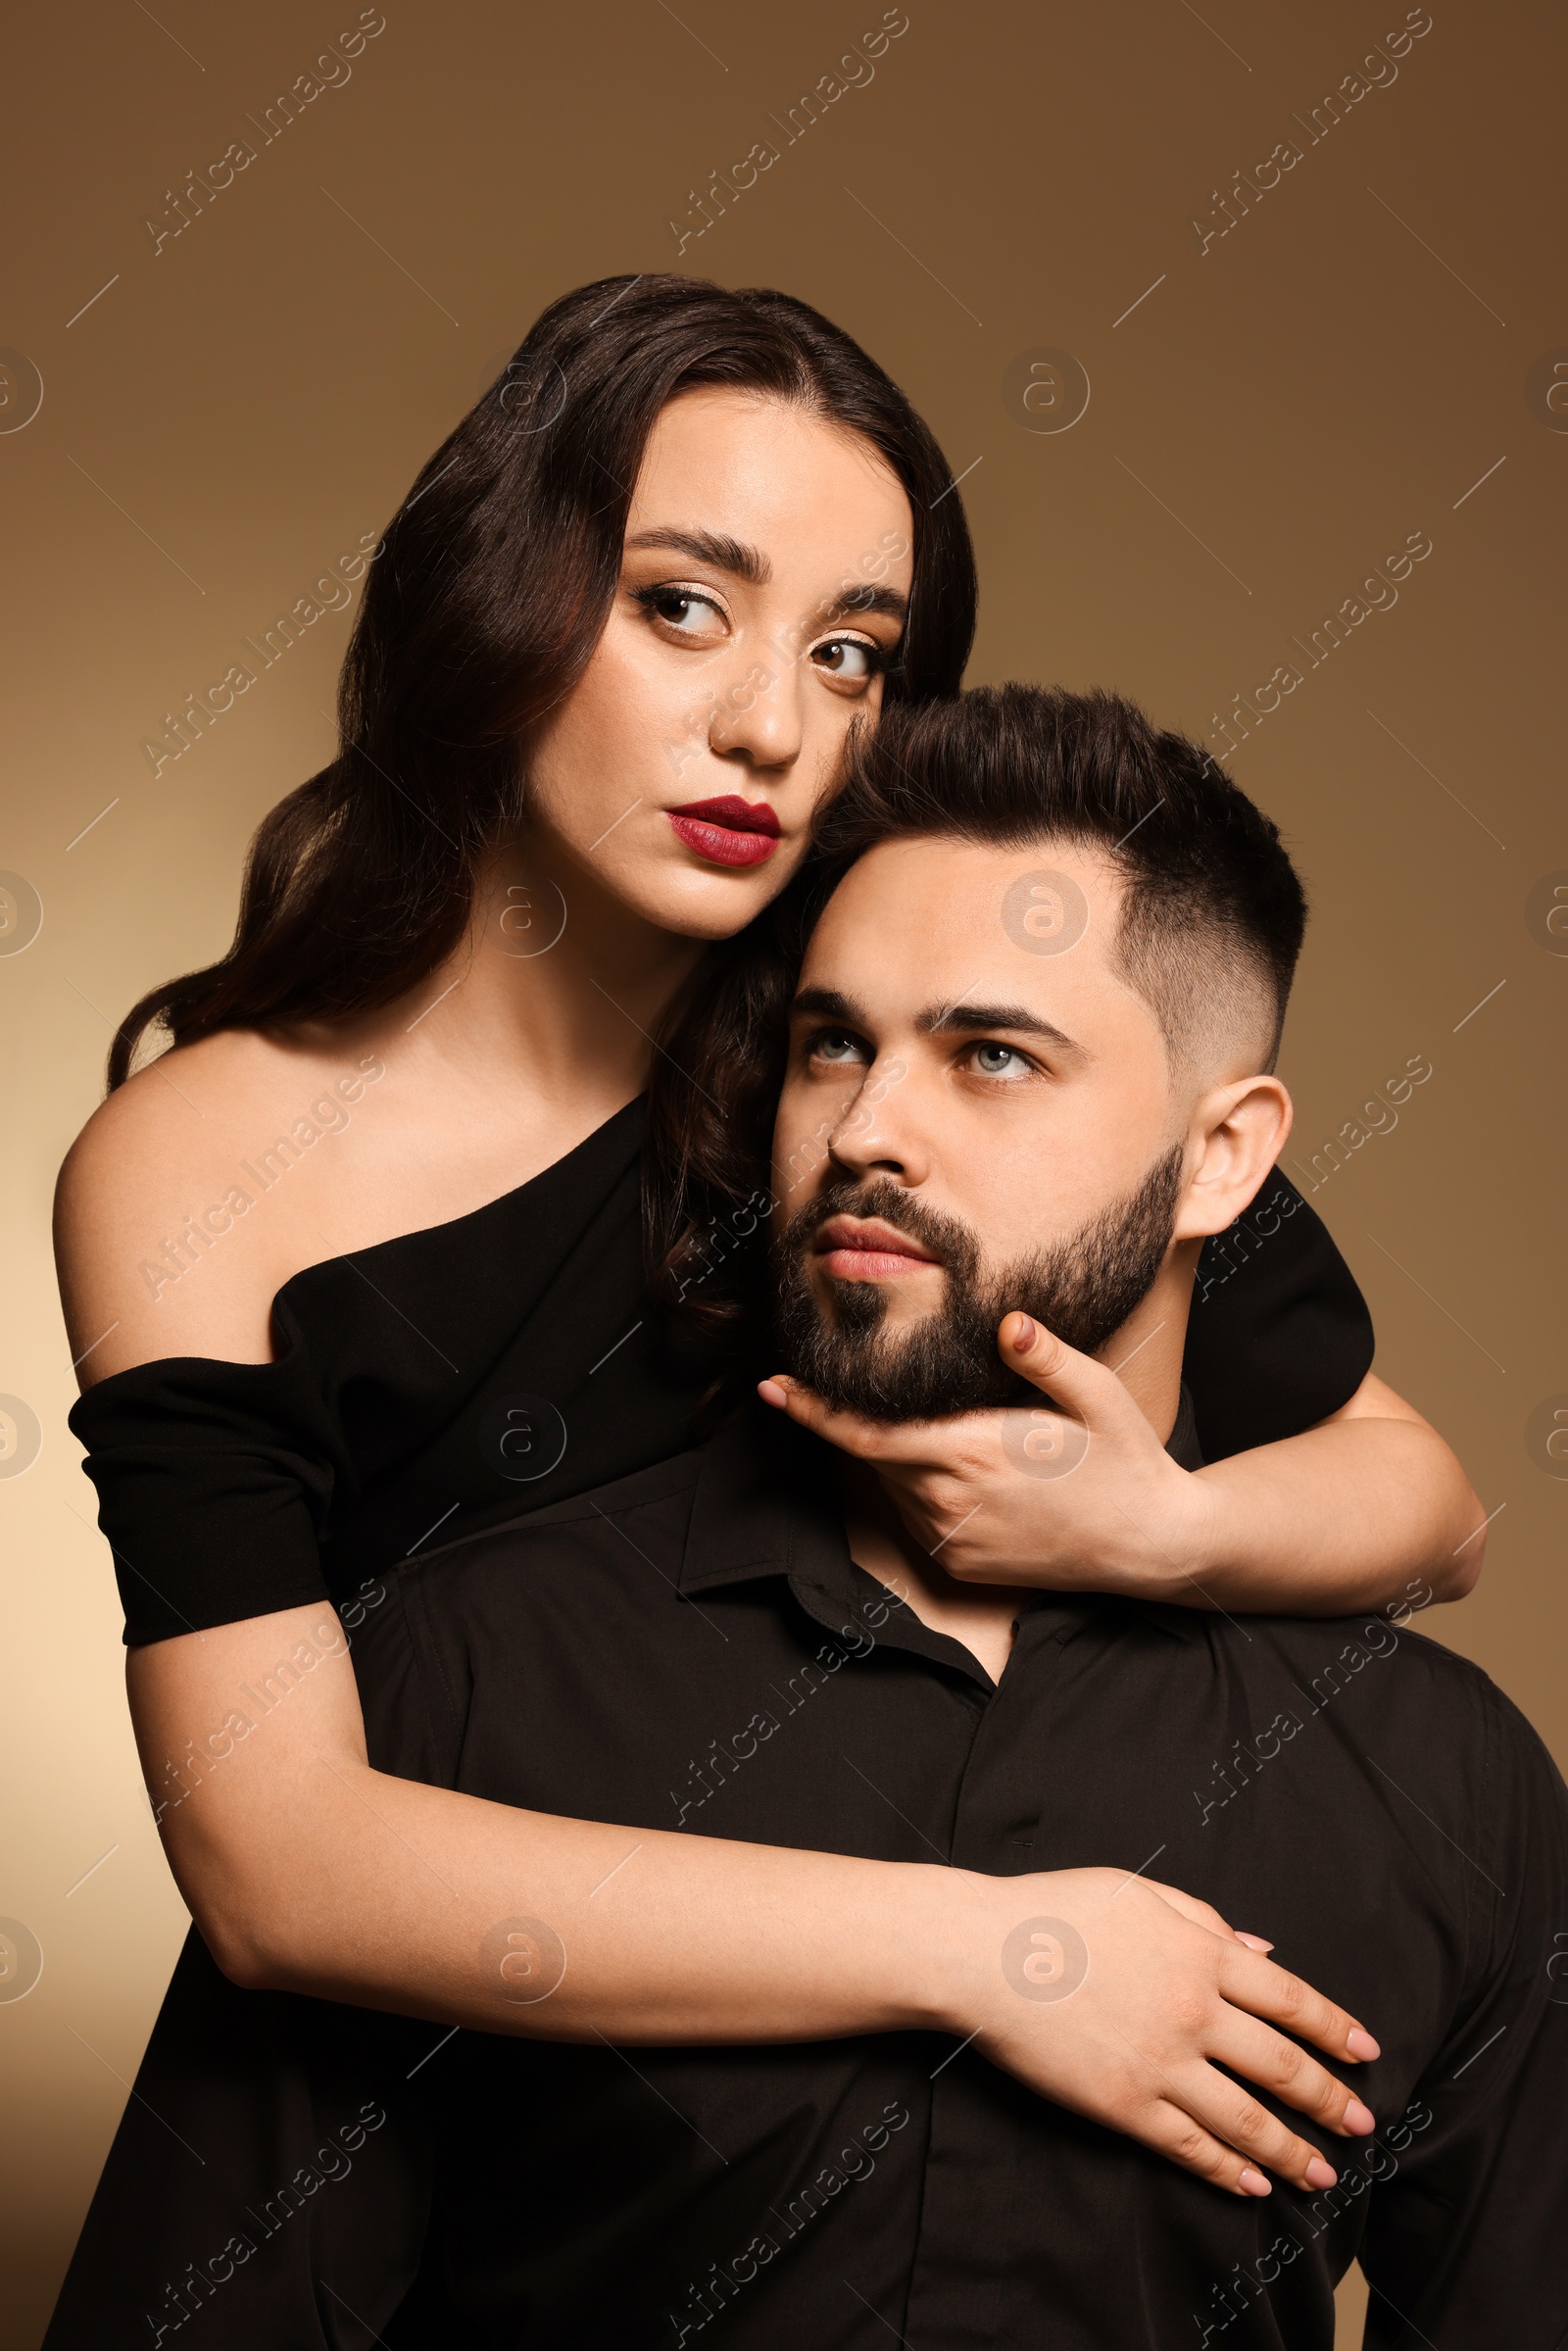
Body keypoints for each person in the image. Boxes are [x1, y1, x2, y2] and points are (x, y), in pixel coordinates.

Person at [45, 279, 1481, 2344]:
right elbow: (281, 1875)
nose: (772, 731)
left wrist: (1145, 1526)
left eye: (848, 655)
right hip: (500, 2120)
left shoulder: (883, 1046)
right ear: (502, 600)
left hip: (939, 2124)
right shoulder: (197, 1167)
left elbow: (1421, 1502)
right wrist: (983, 1956)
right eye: (681, 607)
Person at [334, 687, 1561, 2343]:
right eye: (833, 1042)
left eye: (991, 1056)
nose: (864, 1132)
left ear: (1219, 1164)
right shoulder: (470, 1677)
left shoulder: (1446, 1789)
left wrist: (1165, 1532)